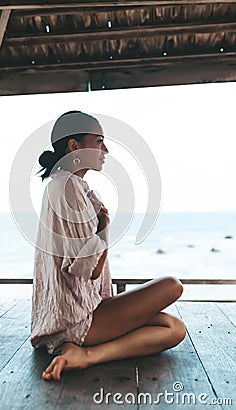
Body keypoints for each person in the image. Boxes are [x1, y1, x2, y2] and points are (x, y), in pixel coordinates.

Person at [30, 110, 186, 381]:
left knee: (174, 327)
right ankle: (81, 351)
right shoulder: (67, 187)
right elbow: (87, 270)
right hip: (76, 319)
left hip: (75, 314)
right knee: (173, 285)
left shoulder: (70, 185)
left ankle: (86, 354)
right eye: (99, 141)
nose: (106, 149)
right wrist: (103, 228)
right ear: (74, 146)